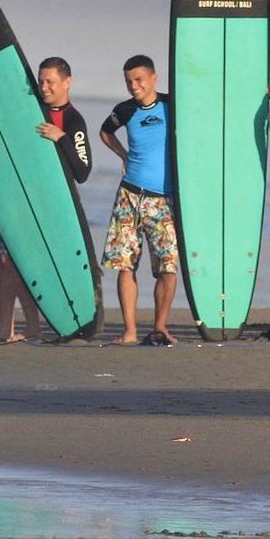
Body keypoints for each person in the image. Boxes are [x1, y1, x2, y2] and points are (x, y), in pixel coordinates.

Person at [0, 56, 92, 343]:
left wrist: (61, 138)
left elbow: (83, 171)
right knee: (4, 261)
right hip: (10, 195)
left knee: (23, 262)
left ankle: (33, 326)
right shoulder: (27, 109)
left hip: (41, 204)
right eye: (40, 81)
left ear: (67, 82)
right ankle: (8, 328)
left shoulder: (72, 119)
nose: (44, 87)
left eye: (50, 82)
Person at [99, 55, 178, 345]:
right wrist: (122, 154)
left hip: (164, 200)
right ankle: (130, 331)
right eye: (129, 81)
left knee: (168, 267)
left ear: (154, 78)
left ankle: (160, 326)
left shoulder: (173, 104)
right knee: (125, 264)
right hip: (130, 195)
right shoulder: (126, 109)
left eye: (139, 80)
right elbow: (105, 131)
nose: (134, 86)